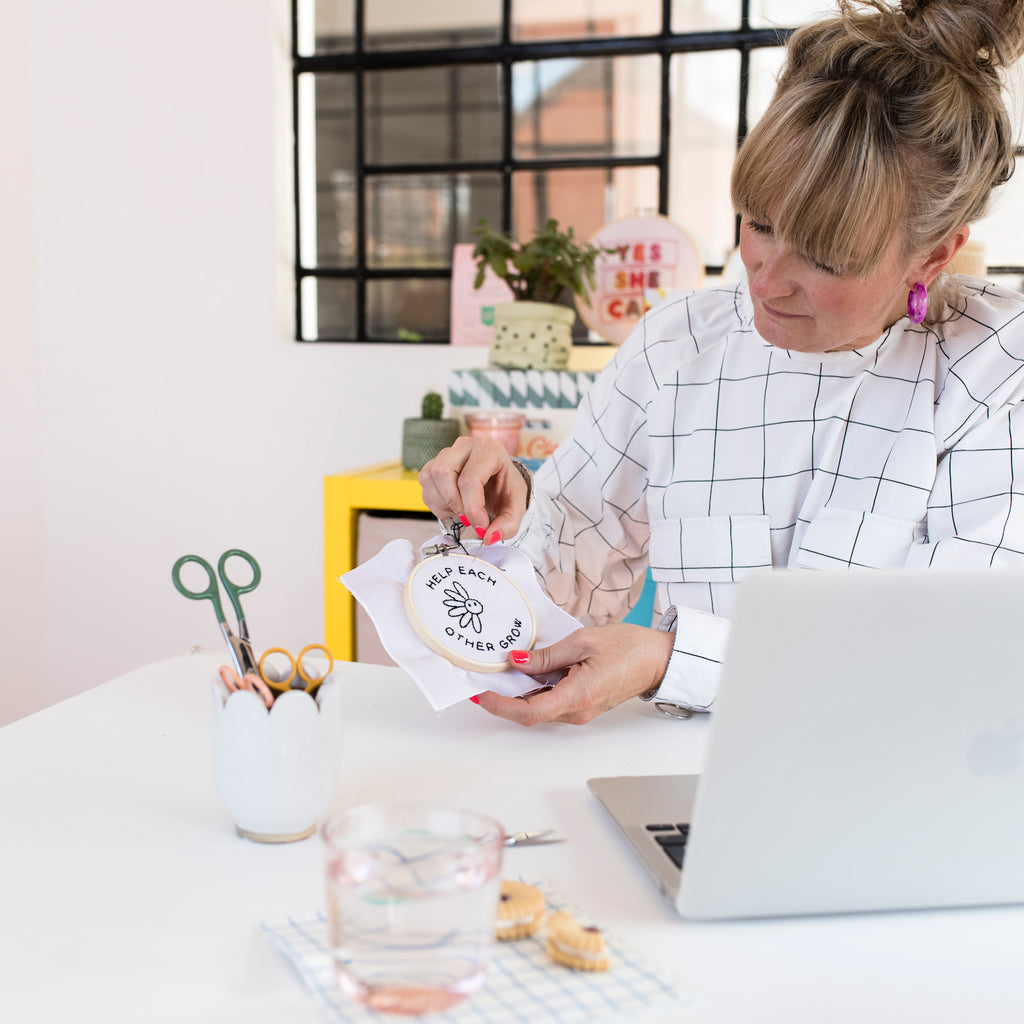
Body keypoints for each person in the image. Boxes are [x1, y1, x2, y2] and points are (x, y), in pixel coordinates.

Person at [419, 0, 1024, 726]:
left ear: (934, 255)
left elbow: (956, 656)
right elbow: (563, 586)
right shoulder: (678, 345)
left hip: (895, 790)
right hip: (670, 785)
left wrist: (673, 662)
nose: (767, 281)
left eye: (826, 258)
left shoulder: (996, 368)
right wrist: (504, 515)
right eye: (759, 223)